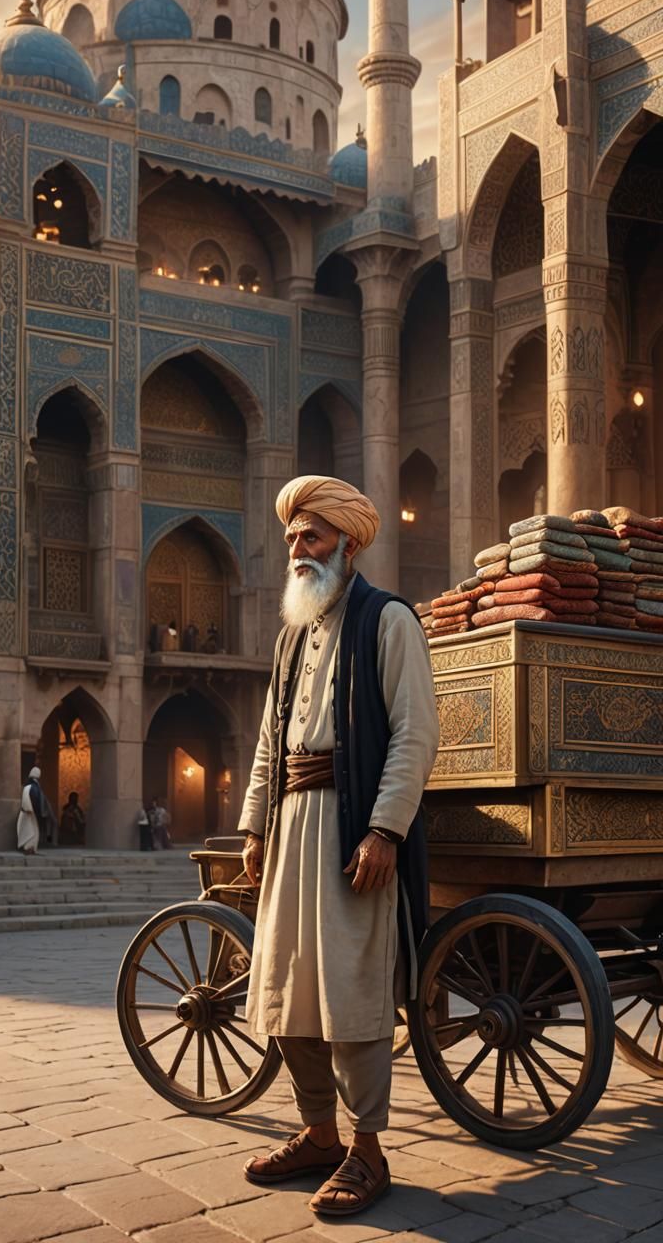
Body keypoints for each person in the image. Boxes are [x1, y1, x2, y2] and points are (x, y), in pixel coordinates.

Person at [239, 475, 440, 1219]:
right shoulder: (292, 634)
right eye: (292, 536)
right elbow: (269, 740)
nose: (298, 547)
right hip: (292, 827)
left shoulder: (388, 621)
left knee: (351, 997)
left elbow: (416, 735)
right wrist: (254, 824)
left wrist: (385, 829)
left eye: (312, 536)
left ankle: (366, 1150)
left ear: (347, 543)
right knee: (287, 991)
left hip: (352, 827)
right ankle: (318, 1133)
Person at [17, 770, 40, 855]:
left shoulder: (28, 786)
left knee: (30, 830)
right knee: (31, 830)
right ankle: (29, 848)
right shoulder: (32, 787)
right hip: (29, 812)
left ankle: (30, 848)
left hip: (28, 811)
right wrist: (31, 809)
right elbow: (33, 799)